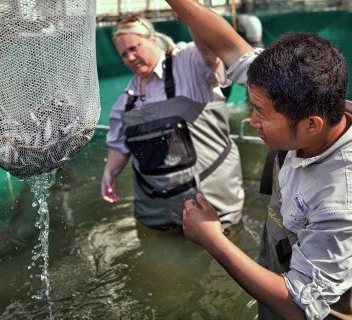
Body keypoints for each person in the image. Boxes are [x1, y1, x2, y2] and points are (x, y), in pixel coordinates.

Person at [166, 1, 352, 319]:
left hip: (340, 303)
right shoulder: (303, 99)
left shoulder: (349, 197)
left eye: (261, 112)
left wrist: (213, 240)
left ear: (311, 124)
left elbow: (299, 305)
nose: (252, 121)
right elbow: (228, 44)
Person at [101, 16, 245, 231]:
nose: (131, 57)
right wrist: (109, 173)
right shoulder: (127, 98)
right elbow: (119, 145)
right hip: (155, 211)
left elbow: (211, 55)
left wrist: (192, 14)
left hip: (211, 206)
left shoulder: (188, 60)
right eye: (124, 54)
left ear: (152, 39)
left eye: (134, 47)